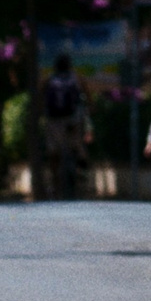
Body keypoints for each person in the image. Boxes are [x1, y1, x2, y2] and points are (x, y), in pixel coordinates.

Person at [40, 54, 88, 201]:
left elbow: (41, 97)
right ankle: (81, 165)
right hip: (72, 119)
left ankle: (54, 183)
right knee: (77, 143)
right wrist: (92, 107)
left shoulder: (49, 79)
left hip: (54, 120)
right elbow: (87, 95)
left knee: (53, 151)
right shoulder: (76, 78)